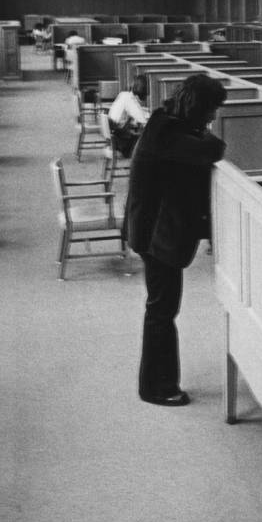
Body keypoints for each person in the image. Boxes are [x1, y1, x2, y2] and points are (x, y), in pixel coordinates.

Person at [124, 74, 227, 407]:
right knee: (161, 311)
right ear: (198, 106)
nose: (213, 117)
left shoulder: (166, 122)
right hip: (156, 236)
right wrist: (205, 135)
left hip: (155, 231)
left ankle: (159, 382)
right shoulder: (166, 131)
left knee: (162, 309)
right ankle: (156, 387)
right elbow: (214, 147)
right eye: (211, 110)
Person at [108, 74, 151, 158]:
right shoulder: (130, 101)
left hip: (115, 137)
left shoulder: (123, 94)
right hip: (122, 143)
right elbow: (143, 120)